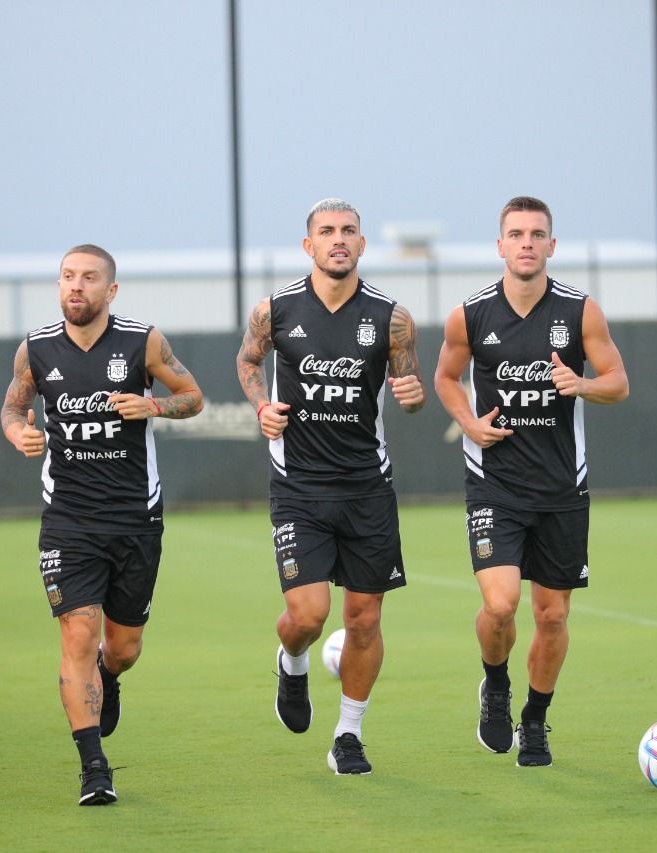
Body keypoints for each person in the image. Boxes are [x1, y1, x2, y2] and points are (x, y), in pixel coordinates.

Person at [0, 244, 203, 805]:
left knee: (124, 646)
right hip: (68, 520)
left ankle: (108, 678)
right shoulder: (36, 349)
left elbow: (193, 397)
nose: (76, 286)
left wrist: (154, 407)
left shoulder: (144, 341)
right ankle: (94, 767)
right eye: (68, 276)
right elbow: (13, 408)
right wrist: (19, 432)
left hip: (136, 518)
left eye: (89, 278)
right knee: (77, 634)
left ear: (110, 290)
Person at [433, 196, 629, 767]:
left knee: (553, 616)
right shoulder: (469, 315)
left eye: (536, 234)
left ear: (551, 245)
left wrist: (581, 385)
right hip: (495, 484)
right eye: (515, 234)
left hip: (562, 488)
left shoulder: (580, 311)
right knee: (501, 605)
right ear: (500, 245)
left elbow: (617, 382)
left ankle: (536, 721)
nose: (526, 243)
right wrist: (469, 423)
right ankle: (495, 683)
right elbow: (446, 377)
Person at [236, 198, 426, 776]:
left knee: (364, 619)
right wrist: (261, 405)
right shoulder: (274, 310)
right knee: (309, 615)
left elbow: (406, 384)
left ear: (362, 245)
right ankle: (291, 663)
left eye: (348, 231)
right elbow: (247, 363)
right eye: (326, 232)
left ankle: (348, 734)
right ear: (309, 246)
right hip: (299, 487)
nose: (338, 240)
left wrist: (412, 397)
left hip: (368, 487)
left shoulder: (393, 318)